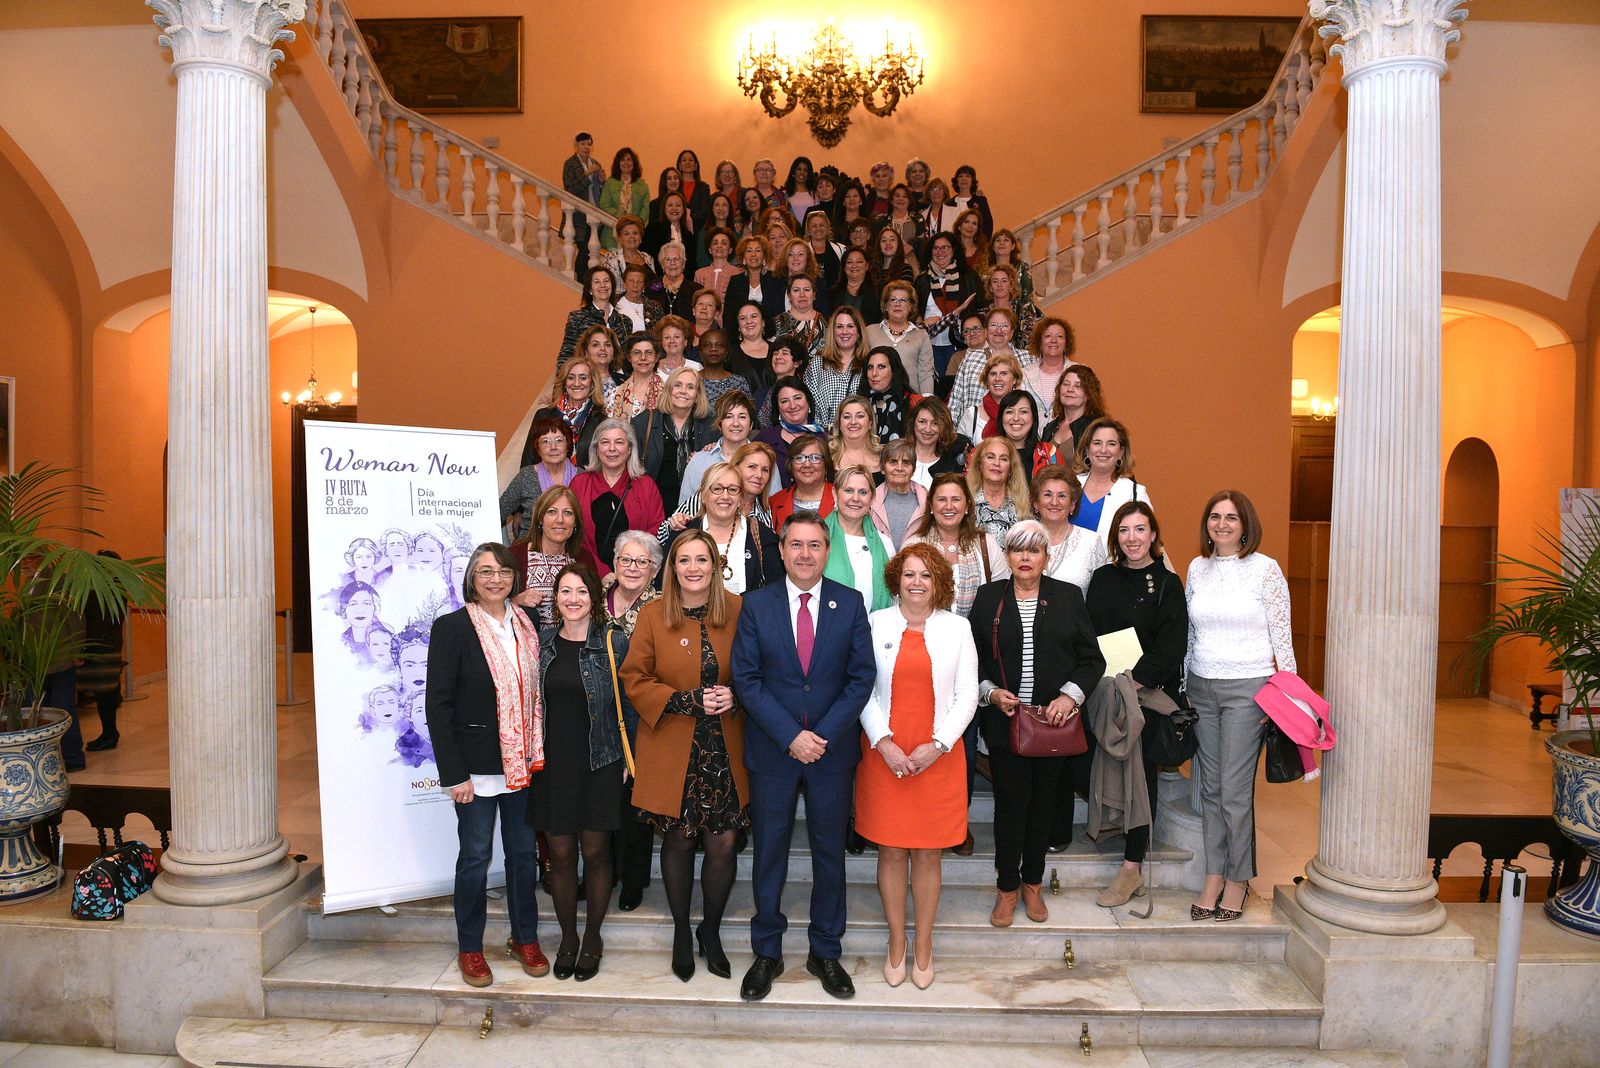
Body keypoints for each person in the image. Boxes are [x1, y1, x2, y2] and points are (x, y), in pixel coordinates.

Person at [730, 512, 876, 1002]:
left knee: (829, 855)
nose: (806, 554)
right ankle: (766, 951)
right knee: (768, 853)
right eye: (796, 545)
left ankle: (825, 950)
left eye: (815, 545)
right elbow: (746, 679)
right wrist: (792, 735)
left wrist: (823, 735)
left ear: (826, 548)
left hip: (830, 755)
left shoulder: (850, 603)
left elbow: (861, 678)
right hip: (773, 751)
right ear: (783, 548)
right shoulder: (756, 605)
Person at [621, 530, 750, 982]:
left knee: (723, 844)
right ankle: (680, 931)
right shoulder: (654, 615)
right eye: (683, 561)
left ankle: (709, 931)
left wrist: (736, 694)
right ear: (671, 568)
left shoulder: (738, 609)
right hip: (673, 744)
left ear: (716, 565)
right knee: (677, 841)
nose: (693, 568)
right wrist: (683, 701)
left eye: (702, 560)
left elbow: (760, 668)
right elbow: (633, 676)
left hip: (725, 748)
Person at [969, 520, 1105, 927]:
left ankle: (1033, 885)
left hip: (1052, 723)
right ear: (1007, 556)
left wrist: (1070, 696)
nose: (1025, 558)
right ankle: (1007, 889)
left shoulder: (1066, 597)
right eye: (1017, 550)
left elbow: (1092, 659)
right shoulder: (989, 597)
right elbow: (971, 658)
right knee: (1011, 806)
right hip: (1005, 721)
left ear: (1048, 556)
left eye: (1034, 550)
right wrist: (990, 692)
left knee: (1043, 804)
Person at [425, 542, 548, 988]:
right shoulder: (452, 628)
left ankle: (525, 938)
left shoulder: (528, 624)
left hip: (523, 765)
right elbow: (438, 706)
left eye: (503, 571)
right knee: (475, 857)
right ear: (472, 580)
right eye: (485, 572)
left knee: (522, 856)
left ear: (515, 578)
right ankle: (471, 948)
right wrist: (453, 773)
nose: (496, 579)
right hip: (475, 769)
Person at [856, 543, 978, 988]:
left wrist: (938, 745)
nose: (917, 583)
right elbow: (862, 690)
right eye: (909, 574)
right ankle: (896, 941)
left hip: (938, 756)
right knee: (890, 850)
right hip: (884, 753)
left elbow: (967, 696)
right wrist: (883, 742)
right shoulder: (875, 624)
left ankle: (923, 944)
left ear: (938, 582)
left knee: (928, 854)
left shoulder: (958, 629)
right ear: (896, 580)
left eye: (926, 575)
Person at [1185, 490, 1295, 923]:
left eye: (1232, 517)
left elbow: (1281, 635)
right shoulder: (1197, 567)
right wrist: (1184, 683)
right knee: (1209, 789)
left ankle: (1238, 878)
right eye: (1215, 516)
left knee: (1233, 790)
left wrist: (1285, 693)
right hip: (1202, 686)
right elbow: (1193, 634)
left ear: (1245, 525)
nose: (1223, 524)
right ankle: (1213, 873)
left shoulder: (1266, 570)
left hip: (1249, 689)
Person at [1084, 502, 1188, 907]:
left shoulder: (1166, 583)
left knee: (1140, 777)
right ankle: (1110, 826)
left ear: (1153, 534)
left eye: (1140, 529)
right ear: (1116, 537)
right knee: (1097, 766)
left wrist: (1134, 681)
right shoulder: (1102, 578)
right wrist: (1104, 682)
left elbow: (1172, 645)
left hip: (1144, 696)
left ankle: (1131, 870)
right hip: (1104, 691)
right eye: (1124, 530)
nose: (1132, 538)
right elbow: (1088, 632)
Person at [528, 564, 628, 981]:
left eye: (581, 592)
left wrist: (628, 757)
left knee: (596, 854)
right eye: (565, 592)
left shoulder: (614, 643)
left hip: (601, 762)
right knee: (562, 857)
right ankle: (568, 938)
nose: (573, 599)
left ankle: (592, 937)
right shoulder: (541, 644)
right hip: (552, 766)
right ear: (557, 599)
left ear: (593, 598)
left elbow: (632, 705)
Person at [603, 530, 663, 912]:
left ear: (655, 570)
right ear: (614, 563)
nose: (633, 567)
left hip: (641, 717)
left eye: (642, 561)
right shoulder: (593, 601)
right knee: (599, 799)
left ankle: (633, 877)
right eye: (626, 559)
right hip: (596, 714)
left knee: (634, 801)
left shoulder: (661, 607)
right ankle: (601, 872)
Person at [668, 463, 783, 596]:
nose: (725, 496)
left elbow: (777, 589)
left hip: (745, 616)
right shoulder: (683, 533)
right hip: (690, 616)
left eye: (733, 490)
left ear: (740, 498)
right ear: (704, 496)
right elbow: (665, 583)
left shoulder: (762, 535)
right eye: (717, 488)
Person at [570, 418, 666, 576]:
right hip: (588, 575)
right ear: (596, 448)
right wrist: (602, 573)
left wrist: (630, 570)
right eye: (605, 442)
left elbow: (655, 532)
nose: (612, 449)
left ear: (629, 449)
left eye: (619, 442)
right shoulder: (579, 484)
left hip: (635, 575)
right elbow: (574, 536)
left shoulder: (646, 486)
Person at [632, 367, 712, 512]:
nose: (683, 391)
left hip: (697, 508)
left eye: (690, 387)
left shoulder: (710, 426)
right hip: (652, 507)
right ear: (669, 390)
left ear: (698, 395)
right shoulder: (643, 423)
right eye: (678, 385)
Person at [510, 485, 592, 627]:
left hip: (571, 645)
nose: (560, 520)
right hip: (526, 646)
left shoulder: (584, 559)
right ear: (540, 519)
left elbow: (595, 607)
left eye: (567, 513)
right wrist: (515, 601)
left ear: (575, 522)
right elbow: (489, 605)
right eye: (552, 512)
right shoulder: (515, 556)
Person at [823, 466, 893, 611]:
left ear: (872, 498)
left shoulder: (884, 544)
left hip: (873, 630)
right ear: (835, 493)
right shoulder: (816, 540)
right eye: (848, 490)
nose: (855, 498)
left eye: (863, 492)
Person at [949, 307, 1035, 426]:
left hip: (1016, 429)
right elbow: (955, 400)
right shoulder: (971, 358)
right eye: (994, 325)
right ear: (986, 330)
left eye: (1005, 326)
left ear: (1012, 332)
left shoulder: (1029, 359)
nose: (999, 330)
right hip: (974, 430)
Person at [914, 233, 981, 384]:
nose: (940, 252)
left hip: (959, 343)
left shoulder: (968, 276)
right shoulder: (922, 280)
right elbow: (915, 311)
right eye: (936, 248)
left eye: (945, 247)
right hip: (930, 344)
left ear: (954, 250)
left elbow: (979, 308)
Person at [1073, 417, 1151, 545]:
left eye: (1111, 444)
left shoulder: (1135, 493)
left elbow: (1144, 542)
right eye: (1097, 443)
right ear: (1087, 449)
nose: (1103, 450)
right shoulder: (1069, 486)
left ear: (1121, 452)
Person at [502, 418, 577, 542]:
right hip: (528, 551)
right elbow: (498, 512)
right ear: (538, 448)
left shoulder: (582, 477)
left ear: (568, 445)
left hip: (571, 554)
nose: (553, 447)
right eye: (545, 442)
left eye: (559, 440)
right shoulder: (526, 476)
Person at [81, 549, 127, 752]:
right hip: (105, 646)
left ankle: (109, 734)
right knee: (106, 693)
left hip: (101, 648)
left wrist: (83, 644)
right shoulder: (110, 587)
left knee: (104, 695)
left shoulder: (108, 589)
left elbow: (101, 622)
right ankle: (109, 733)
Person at [1032, 466, 1105, 593]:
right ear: (1036, 503)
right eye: (1048, 494)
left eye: (1062, 496)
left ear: (1072, 505)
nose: (1054, 502)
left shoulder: (1091, 542)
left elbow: (1101, 596)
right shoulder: (1022, 539)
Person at [866, 280, 935, 396]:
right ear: (886, 305)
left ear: (910, 307)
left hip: (910, 402)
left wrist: (927, 402)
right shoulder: (870, 331)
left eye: (903, 300)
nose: (897, 304)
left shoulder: (921, 336)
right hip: (875, 401)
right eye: (893, 300)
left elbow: (926, 374)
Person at [803, 305, 868, 425]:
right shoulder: (818, 363)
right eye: (839, 327)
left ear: (859, 332)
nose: (845, 332)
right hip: (824, 436)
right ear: (832, 332)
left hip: (858, 433)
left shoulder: (868, 364)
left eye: (850, 326)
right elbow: (807, 403)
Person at [754, 376, 824, 487]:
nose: (792, 405)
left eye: (797, 398)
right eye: (785, 401)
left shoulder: (824, 440)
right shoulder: (763, 440)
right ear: (778, 408)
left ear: (808, 402)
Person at [533, 357, 602, 467]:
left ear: (592, 383)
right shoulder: (543, 415)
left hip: (586, 482)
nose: (577, 383)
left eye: (583, 378)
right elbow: (529, 459)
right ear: (564, 383)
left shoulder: (601, 420)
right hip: (546, 482)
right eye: (571, 378)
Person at [559, 267, 632, 364]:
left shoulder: (624, 321)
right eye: (597, 282)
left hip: (618, 378)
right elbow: (567, 354)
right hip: (588, 376)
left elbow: (628, 357)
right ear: (590, 289)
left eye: (606, 281)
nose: (603, 285)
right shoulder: (578, 318)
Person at [850, 344, 921, 444]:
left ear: (894, 370)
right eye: (870, 367)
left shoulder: (914, 403)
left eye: (881, 367)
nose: (874, 373)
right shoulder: (858, 405)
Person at [954, 350, 1027, 442]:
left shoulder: (1025, 414)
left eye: (1004, 373)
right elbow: (959, 454)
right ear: (987, 380)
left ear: (1015, 379)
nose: (997, 379)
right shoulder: (972, 414)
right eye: (993, 374)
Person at [968, 437, 1029, 544]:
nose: (996, 463)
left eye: (1004, 459)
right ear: (980, 464)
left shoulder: (1024, 505)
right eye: (990, 457)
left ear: (1010, 469)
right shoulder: (965, 502)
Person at [769, 433, 835, 530]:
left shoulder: (842, 498)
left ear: (825, 464)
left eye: (815, 458)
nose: (807, 464)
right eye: (799, 458)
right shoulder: (775, 502)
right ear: (791, 465)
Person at [1041, 362, 1105, 460]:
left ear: (1089, 394)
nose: (1070, 389)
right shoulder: (1050, 428)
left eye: (1078, 386)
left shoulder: (1096, 428)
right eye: (1066, 384)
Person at [871, 440, 927, 550]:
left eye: (906, 462)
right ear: (882, 468)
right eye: (893, 462)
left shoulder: (927, 501)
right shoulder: (870, 501)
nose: (900, 468)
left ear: (913, 469)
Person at [722, 235, 784, 331]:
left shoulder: (776, 279)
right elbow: (728, 315)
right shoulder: (735, 282)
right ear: (743, 257)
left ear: (764, 256)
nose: (753, 254)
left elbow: (779, 312)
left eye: (758, 251)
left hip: (771, 333)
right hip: (741, 334)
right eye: (749, 251)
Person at [561, 132, 604, 272]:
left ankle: (586, 279)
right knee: (584, 249)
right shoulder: (570, 164)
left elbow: (602, 190)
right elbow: (570, 188)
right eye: (583, 144)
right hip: (578, 214)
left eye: (589, 144)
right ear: (576, 146)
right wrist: (587, 174)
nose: (586, 147)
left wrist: (602, 181)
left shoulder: (596, 163)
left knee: (591, 249)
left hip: (594, 212)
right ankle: (580, 279)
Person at [908, 397, 969, 488]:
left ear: (943, 427)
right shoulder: (898, 457)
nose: (928, 429)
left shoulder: (951, 465)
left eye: (935, 423)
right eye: (922, 422)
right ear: (913, 424)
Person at [978, 264, 1039, 352]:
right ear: (990, 287)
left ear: (1011, 285)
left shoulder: (1023, 313)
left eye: (1004, 281)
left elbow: (1028, 342)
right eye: (995, 281)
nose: (999, 284)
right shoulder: (981, 315)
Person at [606, 331, 663, 421]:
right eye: (637, 353)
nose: (643, 358)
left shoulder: (669, 392)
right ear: (629, 357)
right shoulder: (615, 395)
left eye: (649, 352)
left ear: (656, 357)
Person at [1023, 316, 1075, 413]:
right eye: (1048, 336)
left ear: (1066, 344)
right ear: (1039, 343)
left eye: (1059, 336)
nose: (1054, 340)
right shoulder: (1024, 374)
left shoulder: (1079, 372)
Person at [997, 390, 1056, 476]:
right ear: (1001, 418)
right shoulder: (984, 453)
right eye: (1009, 412)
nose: (1016, 418)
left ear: (1033, 417)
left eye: (1023, 412)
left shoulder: (1050, 454)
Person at [598, 148, 648, 247]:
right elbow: (604, 205)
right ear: (618, 163)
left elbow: (645, 208)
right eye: (623, 159)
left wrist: (635, 222)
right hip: (611, 234)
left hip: (634, 235)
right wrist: (621, 216)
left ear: (634, 163)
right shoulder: (610, 183)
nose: (626, 163)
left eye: (629, 159)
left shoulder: (642, 185)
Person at [772, 276, 826, 365]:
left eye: (807, 290)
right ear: (789, 295)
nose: (802, 295)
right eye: (796, 290)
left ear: (814, 294)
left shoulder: (828, 324)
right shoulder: (777, 323)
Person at [694, 329, 750, 410]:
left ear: (726, 353)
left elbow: (746, 414)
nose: (713, 349)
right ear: (700, 353)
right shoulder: (691, 380)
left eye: (719, 345)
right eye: (707, 345)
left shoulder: (739, 383)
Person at [828, 395, 883, 477]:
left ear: (870, 422)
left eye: (860, 416)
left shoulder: (885, 456)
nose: (853, 422)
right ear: (839, 423)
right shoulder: (826, 456)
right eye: (847, 417)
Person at [646, 240, 696, 320]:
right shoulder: (651, 287)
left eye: (676, 259)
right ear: (662, 265)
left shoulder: (695, 290)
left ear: (683, 264)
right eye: (668, 259)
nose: (672, 263)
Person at [601, 216, 656, 288]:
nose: (631, 237)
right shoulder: (611, 258)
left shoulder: (648, 258)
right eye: (626, 234)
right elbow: (607, 287)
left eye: (635, 233)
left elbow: (655, 285)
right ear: (620, 238)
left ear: (640, 237)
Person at [828, 247, 880, 325]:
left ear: (867, 266)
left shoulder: (878, 292)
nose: (854, 266)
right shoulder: (833, 292)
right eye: (849, 262)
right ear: (844, 268)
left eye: (859, 262)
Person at [989, 228, 1036, 306]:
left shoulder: (1022, 268)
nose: (1001, 243)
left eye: (1006, 240)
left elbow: (1027, 297)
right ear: (993, 247)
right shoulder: (986, 271)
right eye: (998, 240)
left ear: (1013, 246)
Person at [615, 263, 663, 335]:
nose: (635, 285)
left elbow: (661, 333)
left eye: (639, 281)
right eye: (631, 281)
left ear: (643, 286)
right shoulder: (613, 304)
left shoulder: (655, 307)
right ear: (624, 284)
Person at [801, 210, 842, 293]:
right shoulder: (802, 251)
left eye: (822, 225)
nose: (818, 229)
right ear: (808, 230)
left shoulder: (840, 249)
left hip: (836, 297)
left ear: (827, 228)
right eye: (814, 226)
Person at [950, 165, 994, 237]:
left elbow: (987, 225)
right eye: (961, 176)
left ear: (972, 181)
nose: (964, 179)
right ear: (956, 181)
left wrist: (982, 245)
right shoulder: (949, 203)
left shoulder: (980, 201)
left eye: (967, 176)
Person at [694, 225, 736, 300]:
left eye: (724, 243)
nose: (719, 246)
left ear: (730, 250)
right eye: (715, 243)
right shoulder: (699, 274)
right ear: (710, 249)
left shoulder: (738, 273)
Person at [655, 315, 702, 381]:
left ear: (685, 341)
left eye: (676, 337)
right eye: (667, 337)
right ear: (661, 342)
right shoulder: (653, 367)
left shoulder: (696, 367)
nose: (672, 341)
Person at [919, 178, 959, 252]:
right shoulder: (922, 215)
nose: (936, 192)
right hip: (927, 255)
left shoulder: (955, 213)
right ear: (928, 194)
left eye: (939, 189)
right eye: (933, 190)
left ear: (944, 194)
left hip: (948, 254)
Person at [873, 224, 919, 289]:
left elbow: (906, 295)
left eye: (892, 239)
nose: (888, 243)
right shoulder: (872, 270)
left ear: (899, 244)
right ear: (879, 246)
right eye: (883, 240)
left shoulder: (905, 269)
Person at [676, 148, 710, 229]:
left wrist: (687, 219)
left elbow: (705, 211)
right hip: (677, 228)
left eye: (690, 160)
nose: (687, 162)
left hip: (698, 229)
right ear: (679, 165)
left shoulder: (704, 187)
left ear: (696, 166)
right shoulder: (675, 186)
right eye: (684, 160)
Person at [954, 208, 991, 275]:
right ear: (959, 226)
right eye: (966, 222)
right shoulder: (951, 249)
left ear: (977, 229)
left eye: (974, 223)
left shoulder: (984, 251)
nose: (970, 226)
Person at [784, 156, 817, 222]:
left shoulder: (815, 194)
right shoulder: (784, 195)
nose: (802, 173)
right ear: (793, 172)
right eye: (799, 169)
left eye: (805, 170)